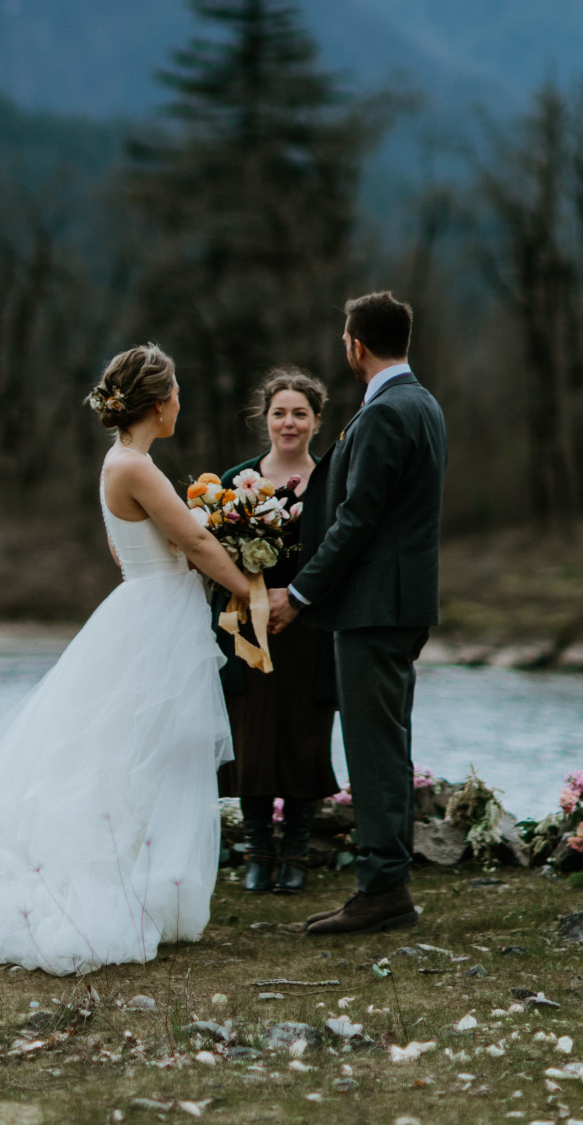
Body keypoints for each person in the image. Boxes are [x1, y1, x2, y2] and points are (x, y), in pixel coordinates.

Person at [0, 343, 252, 975]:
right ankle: (109, 895)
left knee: (146, 756)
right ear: (155, 401)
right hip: (151, 625)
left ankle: (148, 890)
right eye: (175, 392)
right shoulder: (135, 466)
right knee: (132, 758)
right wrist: (249, 588)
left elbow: (132, 553)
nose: (181, 403)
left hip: (149, 611)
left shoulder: (122, 461)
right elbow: (195, 539)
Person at [268, 290, 446, 936]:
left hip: (374, 607)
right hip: (400, 603)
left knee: (373, 750)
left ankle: (382, 891)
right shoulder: (422, 404)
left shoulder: (385, 414)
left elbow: (358, 519)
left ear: (356, 345)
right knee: (388, 745)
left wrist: (301, 592)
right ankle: (387, 882)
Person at [214, 369, 338, 895]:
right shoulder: (234, 481)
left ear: (316, 420)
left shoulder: (334, 483)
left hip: (312, 629)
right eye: (280, 413)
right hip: (247, 629)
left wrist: (301, 601)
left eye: (300, 413)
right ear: (264, 419)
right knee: (254, 739)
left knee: (306, 739)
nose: (289, 422)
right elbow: (212, 553)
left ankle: (297, 856)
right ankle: (258, 853)